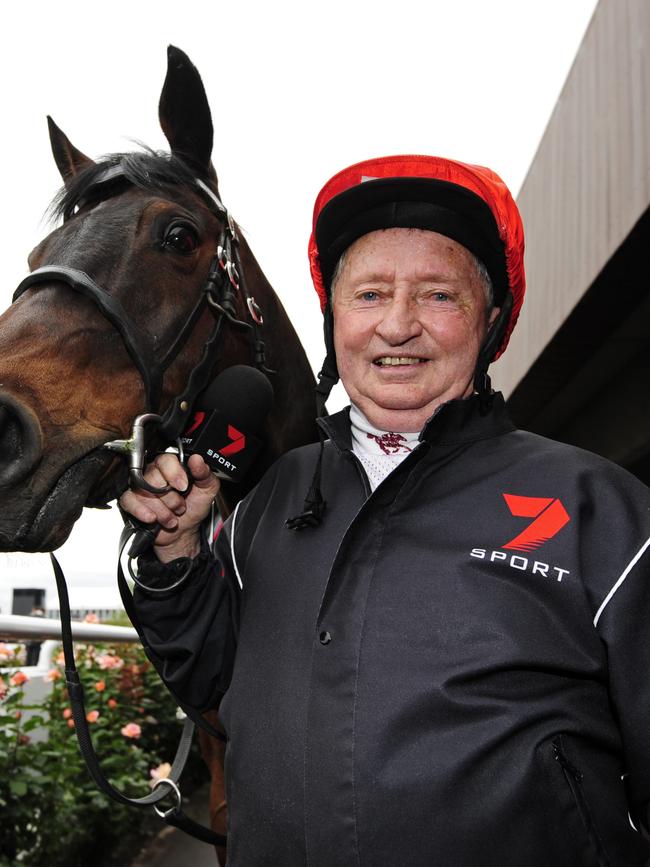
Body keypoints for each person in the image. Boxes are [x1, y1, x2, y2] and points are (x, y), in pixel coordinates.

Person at [121, 155, 650, 866]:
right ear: (335, 319)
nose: (397, 326)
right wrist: (176, 554)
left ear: (489, 323)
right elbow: (214, 683)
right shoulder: (266, 497)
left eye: (438, 295)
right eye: (369, 294)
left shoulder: (607, 513)